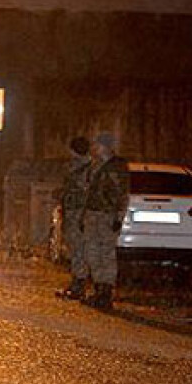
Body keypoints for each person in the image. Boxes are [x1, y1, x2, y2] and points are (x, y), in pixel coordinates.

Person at [78, 132, 130, 310]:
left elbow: (121, 194)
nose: (95, 148)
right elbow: (88, 193)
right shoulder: (97, 166)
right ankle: (99, 288)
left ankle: (105, 291)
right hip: (94, 214)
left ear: (106, 147)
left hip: (106, 215)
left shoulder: (116, 167)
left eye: (98, 145)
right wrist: (84, 216)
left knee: (106, 253)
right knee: (92, 252)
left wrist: (118, 217)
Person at [55, 136, 93, 300]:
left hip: (79, 214)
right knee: (76, 249)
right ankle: (78, 283)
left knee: (79, 250)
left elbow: (84, 191)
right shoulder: (83, 167)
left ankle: (79, 285)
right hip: (75, 212)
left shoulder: (86, 169)